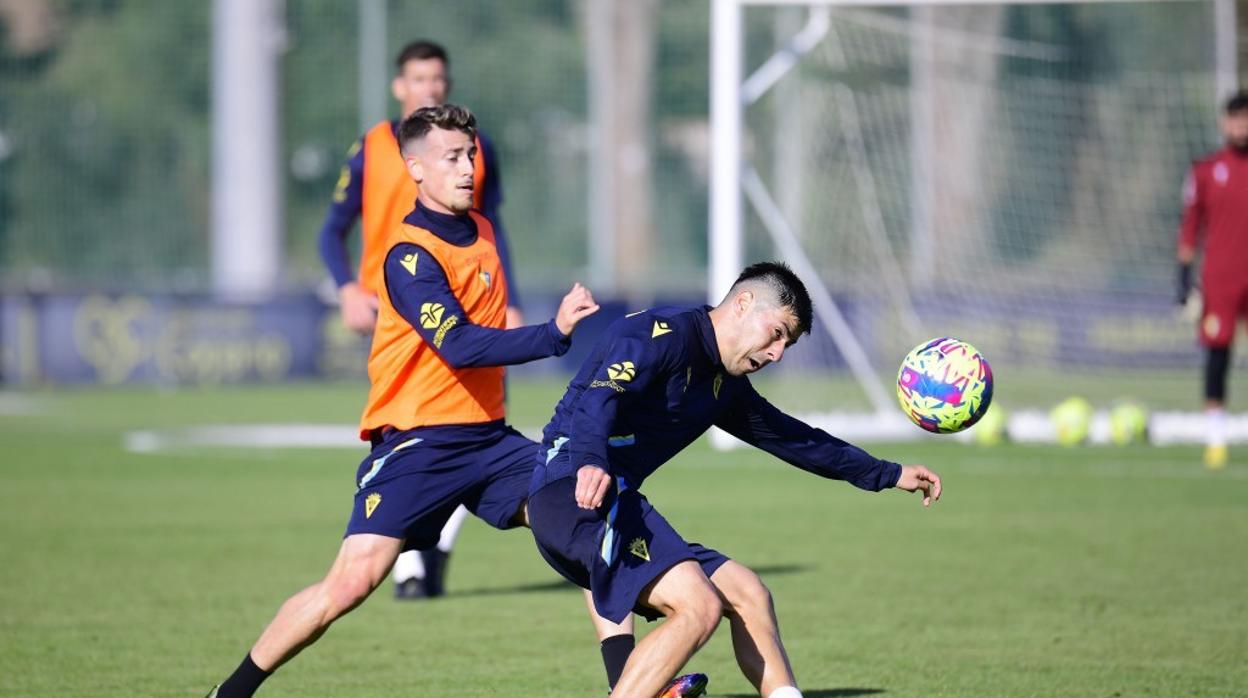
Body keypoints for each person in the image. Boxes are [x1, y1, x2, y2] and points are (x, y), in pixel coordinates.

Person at [206, 105, 600, 698]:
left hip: (490, 440)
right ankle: (229, 693)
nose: (468, 167)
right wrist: (554, 333)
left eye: (471, 155)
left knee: (583, 525)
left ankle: (636, 684)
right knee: (350, 584)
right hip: (419, 443)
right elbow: (462, 346)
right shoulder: (408, 255)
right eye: (452, 158)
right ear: (414, 168)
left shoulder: (487, 233)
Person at [527, 262, 944, 698]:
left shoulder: (725, 386)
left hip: (612, 504)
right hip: (571, 492)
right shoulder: (658, 335)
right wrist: (592, 459)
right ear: (743, 303)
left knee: (748, 593)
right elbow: (600, 397)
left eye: (789, 344)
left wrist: (888, 474)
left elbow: (796, 439)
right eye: (778, 333)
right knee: (699, 606)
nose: (778, 353)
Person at [317, 39, 521, 598]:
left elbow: (492, 228)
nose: (427, 88)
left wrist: (512, 297)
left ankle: (418, 563)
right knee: (411, 423)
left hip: (465, 304)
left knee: (472, 424)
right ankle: (406, 553)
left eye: (437, 79)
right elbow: (331, 229)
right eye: (417, 79)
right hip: (397, 306)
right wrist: (346, 289)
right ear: (398, 86)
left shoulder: (475, 148)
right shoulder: (373, 147)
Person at [1177, 89, 1248, 470]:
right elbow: (1190, 228)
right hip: (1221, 279)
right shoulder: (1206, 171)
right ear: (1224, 122)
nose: (1241, 125)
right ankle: (1216, 440)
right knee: (1217, 356)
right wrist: (1183, 278)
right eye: (1236, 118)